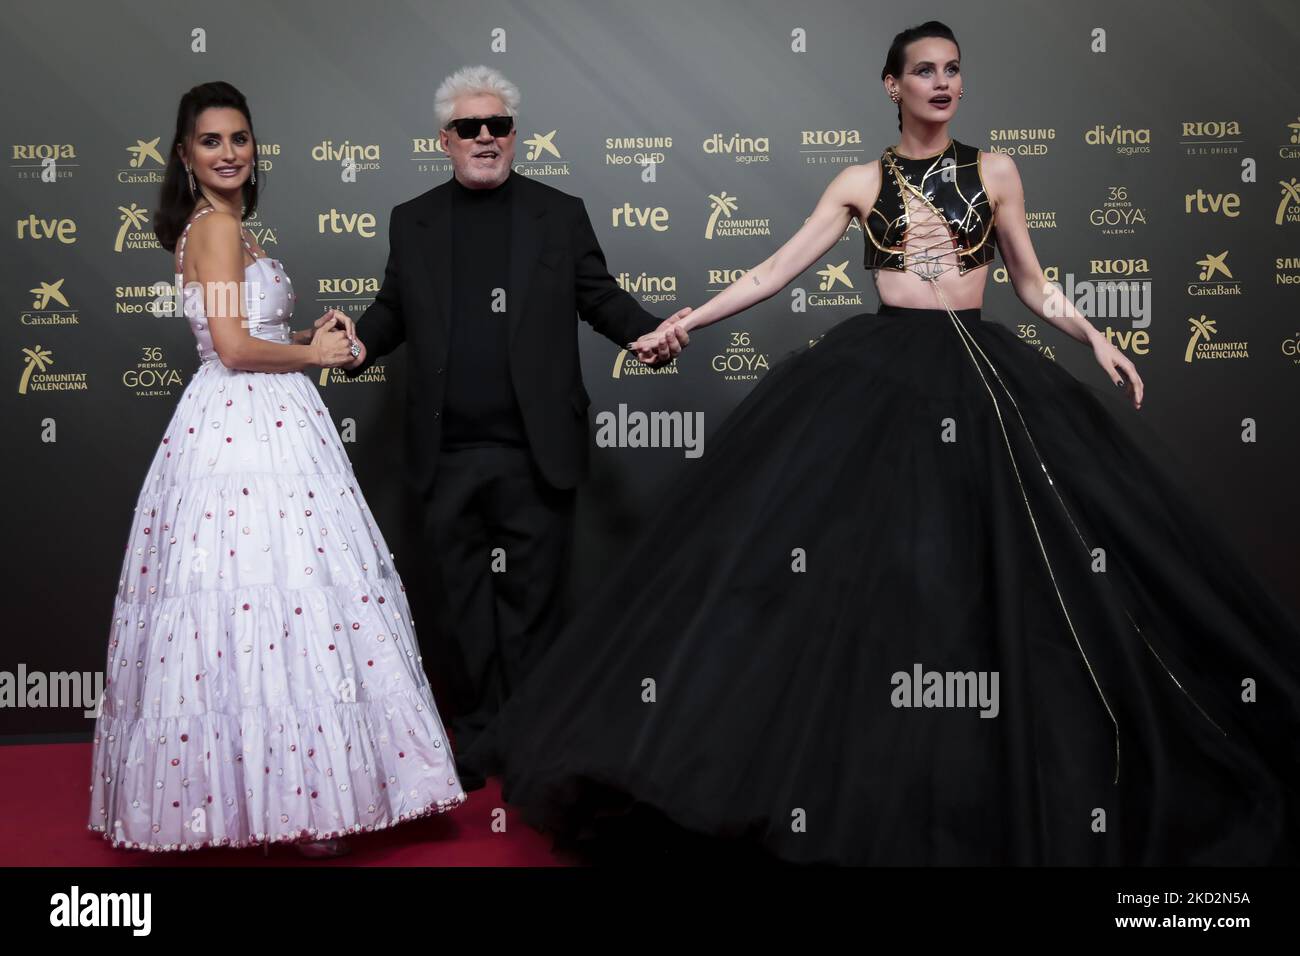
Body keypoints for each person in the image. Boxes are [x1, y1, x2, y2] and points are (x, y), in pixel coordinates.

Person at [461, 22, 1300, 864]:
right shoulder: (860, 180)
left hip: (985, 382)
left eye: (953, 71)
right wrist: (686, 320)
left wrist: (1096, 338)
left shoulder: (996, 171)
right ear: (892, 86)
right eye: (924, 72)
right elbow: (772, 272)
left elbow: (1034, 285)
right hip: (881, 380)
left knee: (998, 580)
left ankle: (988, 790)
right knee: (890, 581)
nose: (942, 83)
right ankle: (871, 790)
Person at [87, 82, 465, 857]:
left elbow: (245, 331)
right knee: (266, 598)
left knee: (284, 606)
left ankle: (290, 797)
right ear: (187, 156)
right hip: (242, 429)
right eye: (211, 141)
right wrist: (313, 355)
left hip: (264, 421)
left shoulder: (230, 230)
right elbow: (230, 348)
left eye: (239, 139)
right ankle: (294, 805)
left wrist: (303, 334)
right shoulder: (217, 229)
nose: (229, 153)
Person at [341, 65, 689, 788]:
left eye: (498, 126)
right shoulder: (414, 219)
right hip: (446, 453)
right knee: (462, 605)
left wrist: (645, 335)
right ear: (446, 140)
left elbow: (600, 297)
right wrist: (357, 344)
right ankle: (475, 738)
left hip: (534, 452)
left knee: (533, 606)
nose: (485, 137)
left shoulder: (557, 213)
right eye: (469, 127)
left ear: (514, 136)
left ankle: (529, 741)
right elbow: (392, 310)